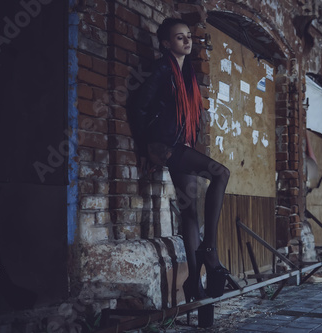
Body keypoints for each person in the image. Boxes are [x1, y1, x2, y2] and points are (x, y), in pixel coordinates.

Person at [129, 18, 230, 327]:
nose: (187, 41)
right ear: (165, 43)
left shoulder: (187, 73)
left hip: (180, 144)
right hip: (170, 147)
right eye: (179, 37)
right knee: (221, 173)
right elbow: (139, 108)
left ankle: (194, 287)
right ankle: (209, 251)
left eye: (188, 37)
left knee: (190, 215)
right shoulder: (163, 70)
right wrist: (149, 146)